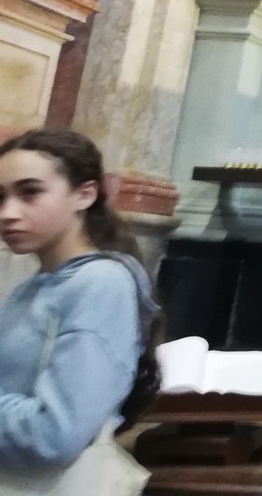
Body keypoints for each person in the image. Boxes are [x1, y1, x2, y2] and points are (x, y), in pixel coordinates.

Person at [0, 129, 160, 473]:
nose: (8, 212)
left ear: (85, 195)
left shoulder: (100, 283)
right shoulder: (31, 288)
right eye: (0, 198)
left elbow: (53, 436)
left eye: (30, 193)